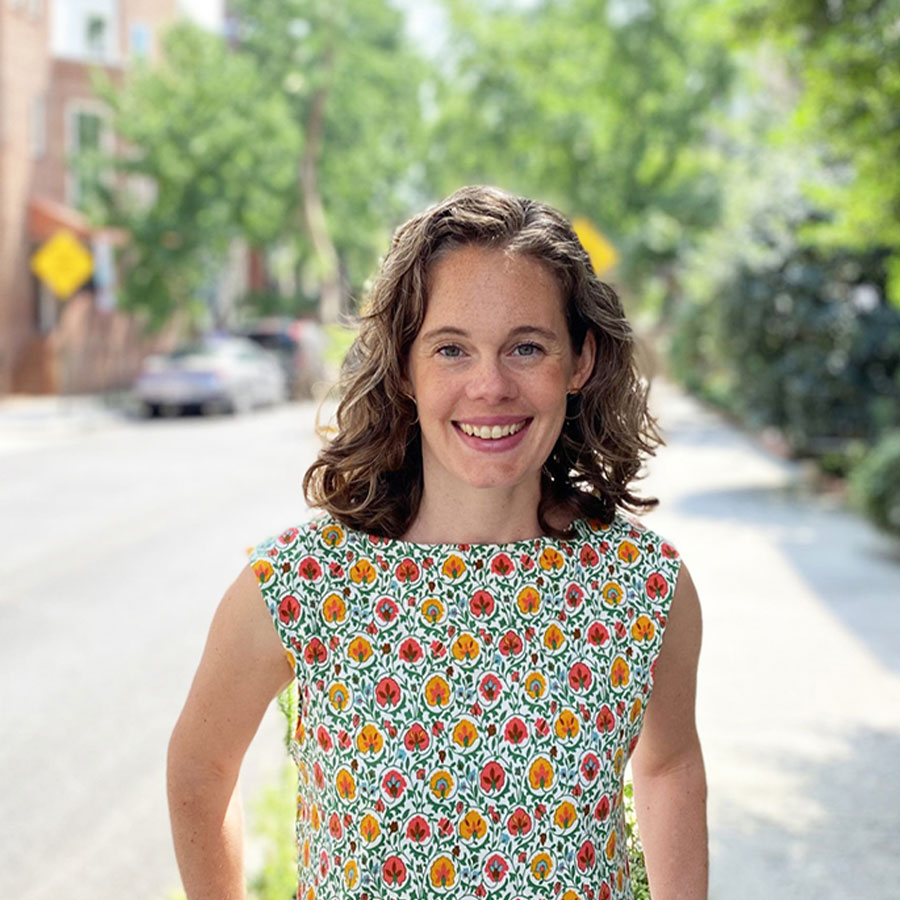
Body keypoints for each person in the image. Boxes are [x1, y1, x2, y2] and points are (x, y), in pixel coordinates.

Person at [167, 185, 708, 900]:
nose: (490, 386)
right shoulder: (299, 584)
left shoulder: (645, 586)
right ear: (405, 367)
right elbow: (200, 770)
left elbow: (669, 767)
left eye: (527, 347)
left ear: (580, 360)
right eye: (452, 349)